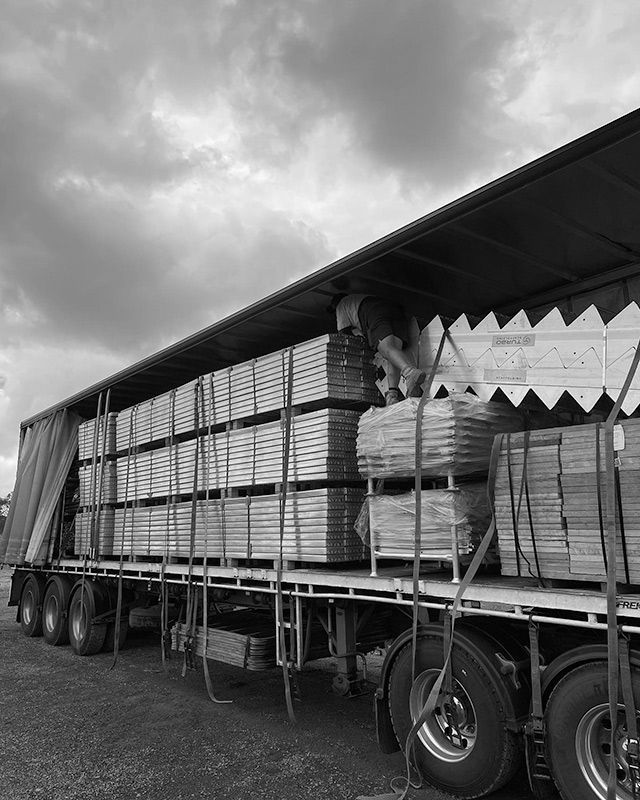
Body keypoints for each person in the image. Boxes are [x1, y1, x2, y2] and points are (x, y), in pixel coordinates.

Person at [328, 293, 425, 405]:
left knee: (385, 348)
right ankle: (392, 395)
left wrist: (361, 339)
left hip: (376, 313)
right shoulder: (358, 299)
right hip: (395, 310)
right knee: (393, 354)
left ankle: (410, 372)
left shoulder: (342, 305)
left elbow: (343, 334)